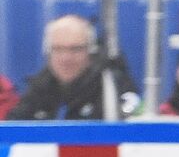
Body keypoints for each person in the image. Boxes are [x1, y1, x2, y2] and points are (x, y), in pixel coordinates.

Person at [5, 15, 139, 121]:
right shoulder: (38, 87)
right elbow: (12, 135)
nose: (66, 58)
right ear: (47, 52)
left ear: (91, 51)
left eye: (75, 49)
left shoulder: (112, 85)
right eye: (58, 49)